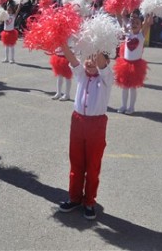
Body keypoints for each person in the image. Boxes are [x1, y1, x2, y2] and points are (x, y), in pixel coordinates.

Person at [57, 44, 114, 220]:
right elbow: (70, 57)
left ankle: (89, 201)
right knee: (76, 162)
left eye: (95, 58)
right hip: (78, 122)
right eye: (88, 58)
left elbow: (102, 64)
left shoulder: (106, 78)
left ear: (104, 61)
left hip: (96, 126)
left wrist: (100, 44)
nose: (90, 62)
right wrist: (61, 39)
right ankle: (74, 197)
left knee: (93, 166)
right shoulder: (81, 73)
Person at [114, 11, 152, 114]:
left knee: (133, 87)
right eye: (132, 23)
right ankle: (123, 105)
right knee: (125, 87)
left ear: (141, 25)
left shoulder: (141, 35)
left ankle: (131, 107)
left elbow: (148, 23)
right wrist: (120, 12)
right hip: (125, 64)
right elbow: (121, 18)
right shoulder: (127, 34)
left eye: (137, 23)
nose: (134, 25)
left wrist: (150, 15)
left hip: (136, 65)